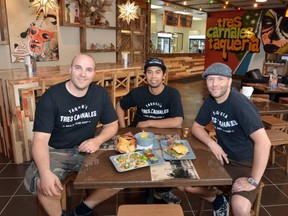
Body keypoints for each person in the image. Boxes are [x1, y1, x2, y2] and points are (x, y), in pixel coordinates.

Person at [24, 54, 119, 216]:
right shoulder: (52, 97)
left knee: (122, 175)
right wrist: (45, 173)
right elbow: (40, 140)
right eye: (78, 68)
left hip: (88, 149)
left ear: (94, 74)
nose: (83, 74)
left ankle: (83, 209)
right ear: (70, 70)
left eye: (88, 70)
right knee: (44, 183)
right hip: (56, 151)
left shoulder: (100, 94)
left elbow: (112, 125)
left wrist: (98, 140)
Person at [178, 62, 271, 216]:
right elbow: (196, 127)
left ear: (229, 81)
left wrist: (253, 180)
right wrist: (213, 144)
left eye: (220, 79)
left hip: (246, 163)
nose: (215, 84)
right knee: (184, 184)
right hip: (222, 159)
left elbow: (264, 142)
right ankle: (218, 201)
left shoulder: (240, 104)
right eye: (210, 79)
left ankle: (226, 199)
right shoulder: (211, 101)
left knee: (240, 207)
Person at [116, 57, 184, 204]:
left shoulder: (173, 94)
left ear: (164, 75)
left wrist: (149, 122)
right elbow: (120, 105)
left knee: (175, 161)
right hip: (138, 134)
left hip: (163, 134)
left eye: (157, 72)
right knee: (130, 160)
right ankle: (142, 185)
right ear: (145, 75)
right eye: (150, 72)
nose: (153, 76)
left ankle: (162, 191)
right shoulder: (138, 92)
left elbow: (177, 121)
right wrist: (123, 127)